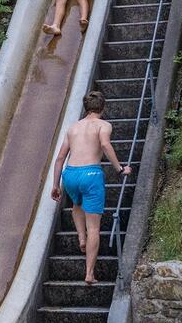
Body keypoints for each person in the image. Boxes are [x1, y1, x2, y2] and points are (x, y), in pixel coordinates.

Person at [49, 90, 129, 285]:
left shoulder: (73, 128)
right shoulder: (103, 125)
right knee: (94, 227)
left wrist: (55, 184)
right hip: (91, 174)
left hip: (70, 174)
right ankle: (89, 273)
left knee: (77, 204)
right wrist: (119, 169)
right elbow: (105, 145)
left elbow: (60, 158)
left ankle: (81, 238)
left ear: (86, 107)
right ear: (103, 107)